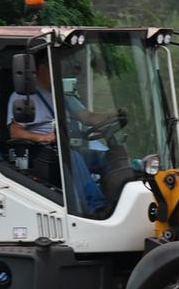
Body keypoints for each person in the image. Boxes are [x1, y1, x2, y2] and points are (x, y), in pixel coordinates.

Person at [6, 54, 115, 212]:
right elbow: (14, 132)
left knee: (107, 157)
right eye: (57, 69)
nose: (62, 73)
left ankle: (116, 201)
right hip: (42, 152)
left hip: (66, 147)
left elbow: (87, 117)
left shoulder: (61, 95)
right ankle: (96, 207)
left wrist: (112, 115)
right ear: (42, 69)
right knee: (73, 158)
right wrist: (42, 137)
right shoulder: (24, 97)